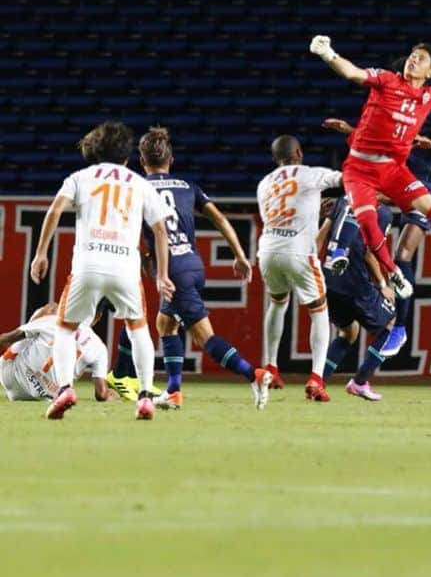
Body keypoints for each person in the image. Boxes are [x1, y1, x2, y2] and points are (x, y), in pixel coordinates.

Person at [308, 34, 431, 299]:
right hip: (359, 171)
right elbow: (352, 73)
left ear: (430, 72)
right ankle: (393, 274)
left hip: (393, 171)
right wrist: (327, 54)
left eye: (421, 58)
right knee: (367, 223)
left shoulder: (429, 98)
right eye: (413, 55)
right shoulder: (386, 80)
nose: (413, 59)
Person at [29, 121, 174, 421]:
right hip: (125, 266)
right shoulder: (139, 183)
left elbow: (55, 210)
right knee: (137, 328)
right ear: (126, 156)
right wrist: (161, 275)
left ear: (95, 151)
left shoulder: (79, 178)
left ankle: (66, 388)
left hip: (88, 264)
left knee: (65, 328)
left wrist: (41, 253)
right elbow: (160, 230)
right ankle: (145, 397)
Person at [134, 126, 271, 411]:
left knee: (204, 337)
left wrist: (145, 257)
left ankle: (254, 375)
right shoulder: (188, 186)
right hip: (194, 264)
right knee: (166, 324)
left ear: (141, 161)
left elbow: (134, 230)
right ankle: (173, 391)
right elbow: (220, 218)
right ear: (170, 160)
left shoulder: (137, 189)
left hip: (172, 270)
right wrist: (240, 255)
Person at [322, 98, 431, 351]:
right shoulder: (402, 112)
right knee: (354, 200)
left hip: (426, 187)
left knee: (402, 255)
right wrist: (349, 131)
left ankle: (399, 327)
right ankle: (358, 380)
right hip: (398, 180)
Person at [256, 134, 342, 401]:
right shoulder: (311, 174)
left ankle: (270, 366)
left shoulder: (264, 183)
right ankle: (316, 378)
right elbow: (346, 180)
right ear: (299, 153)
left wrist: (314, 209)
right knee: (319, 311)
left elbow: (279, 212)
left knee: (277, 303)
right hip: (299, 251)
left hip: (268, 250)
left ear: (275, 159)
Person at [317, 198, 404, 400]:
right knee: (393, 326)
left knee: (349, 331)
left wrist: (313, 271)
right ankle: (360, 382)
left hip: (328, 278)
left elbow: (320, 237)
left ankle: (317, 382)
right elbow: (369, 251)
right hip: (354, 282)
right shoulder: (382, 212)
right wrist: (383, 284)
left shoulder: (343, 200)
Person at [0, 303, 116, 403]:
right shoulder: (99, 348)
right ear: (98, 317)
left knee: (51, 308)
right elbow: (101, 394)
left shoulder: (55, 318)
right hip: (45, 396)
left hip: (10, 377)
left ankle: (32, 331)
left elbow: (7, 339)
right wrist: (112, 395)